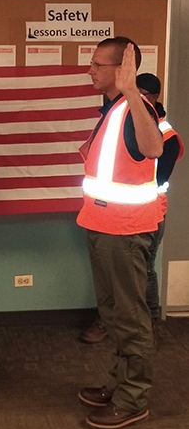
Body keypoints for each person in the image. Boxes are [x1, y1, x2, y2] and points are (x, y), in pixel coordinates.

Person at [77, 37, 163, 429]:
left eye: (97, 64)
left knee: (130, 317)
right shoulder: (111, 110)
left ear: (120, 69)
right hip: (102, 228)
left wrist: (131, 93)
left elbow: (155, 148)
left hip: (126, 233)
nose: (90, 70)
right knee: (114, 315)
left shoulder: (136, 107)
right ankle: (120, 384)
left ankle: (133, 400)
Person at [79, 72, 183, 343]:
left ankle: (147, 324)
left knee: (143, 272)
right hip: (109, 216)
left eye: (141, 96)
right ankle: (123, 325)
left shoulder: (163, 134)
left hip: (147, 213)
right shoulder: (118, 120)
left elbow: (155, 176)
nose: (133, 100)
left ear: (153, 99)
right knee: (117, 284)